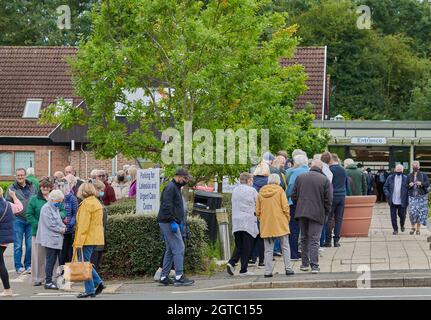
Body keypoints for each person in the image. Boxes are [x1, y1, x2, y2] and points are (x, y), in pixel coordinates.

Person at [292, 159, 332, 274]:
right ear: (321, 168)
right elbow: (328, 200)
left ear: (311, 166)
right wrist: (326, 212)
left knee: (304, 238)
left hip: (302, 212)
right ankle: (314, 265)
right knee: (314, 240)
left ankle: (304, 264)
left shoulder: (300, 177)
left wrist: (299, 205)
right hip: (317, 213)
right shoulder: (324, 180)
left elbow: (293, 195)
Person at [157, 168, 194, 286]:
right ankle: (179, 276)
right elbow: (166, 206)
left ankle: (164, 277)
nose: (186, 181)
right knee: (179, 248)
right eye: (185, 178)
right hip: (168, 222)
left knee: (170, 250)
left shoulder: (174, 187)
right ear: (178, 177)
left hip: (168, 221)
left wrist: (178, 221)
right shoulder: (171, 188)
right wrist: (173, 221)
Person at [26, 178, 66, 286]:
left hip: (53, 233)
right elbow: (29, 214)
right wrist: (39, 224)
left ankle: (51, 278)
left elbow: (62, 211)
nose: (45, 188)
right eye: (43, 186)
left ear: (50, 188)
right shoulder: (34, 199)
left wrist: (59, 218)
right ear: (40, 187)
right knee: (38, 257)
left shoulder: (55, 199)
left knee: (51, 258)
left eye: (47, 187)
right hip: (38, 231)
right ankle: (38, 278)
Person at [256, 174, 294, 277]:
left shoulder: (261, 191)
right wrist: (287, 218)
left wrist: (261, 219)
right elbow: (285, 207)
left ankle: (268, 271)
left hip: (267, 223)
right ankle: (288, 268)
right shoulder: (280, 190)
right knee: (285, 246)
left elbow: (257, 210)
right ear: (278, 181)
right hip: (280, 222)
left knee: (268, 249)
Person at [74, 182, 106, 298]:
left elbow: (83, 225)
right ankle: (94, 286)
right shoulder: (96, 202)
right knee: (86, 264)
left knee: (84, 265)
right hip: (95, 237)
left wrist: (78, 242)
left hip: (86, 238)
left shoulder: (86, 204)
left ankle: (93, 287)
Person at [226, 173, 259, 277]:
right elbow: (258, 203)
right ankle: (243, 270)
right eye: (252, 180)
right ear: (249, 180)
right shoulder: (252, 190)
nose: (252, 182)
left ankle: (231, 262)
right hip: (248, 221)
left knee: (239, 244)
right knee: (247, 246)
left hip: (236, 221)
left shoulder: (235, 190)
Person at [6, 168, 37, 274]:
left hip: (30, 220)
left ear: (25, 176)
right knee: (18, 245)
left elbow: (36, 200)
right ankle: (18, 266)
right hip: (17, 220)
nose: (20, 177)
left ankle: (28, 265)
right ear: (16, 176)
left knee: (29, 245)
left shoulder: (32, 186)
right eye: (18, 175)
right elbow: (7, 204)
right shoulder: (11, 188)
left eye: (22, 175)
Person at [36, 190, 66, 290]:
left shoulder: (55, 207)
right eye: (58, 201)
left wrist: (63, 226)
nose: (60, 203)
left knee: (53, 261)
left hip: (56, 239)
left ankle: (50, 280)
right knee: (50, 260)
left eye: (61, 201)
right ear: (52, 199)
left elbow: (58, 220)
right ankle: (48, 282)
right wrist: (61, 229)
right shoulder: (46, 208)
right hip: (49, 239)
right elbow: (50, 224)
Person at [286, 154, 309, 260]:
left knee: (294, 229)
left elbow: (290, 188)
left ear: (298, 163)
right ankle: (306, 253)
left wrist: (288, 198)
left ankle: (293, 254)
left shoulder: (295, 172)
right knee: (307, 229)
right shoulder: (310, 171)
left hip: (295, 204)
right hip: (309, 204)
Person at [0, 188, 23, 296]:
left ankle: (8, 290)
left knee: (1, 264)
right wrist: (14, 196)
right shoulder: (8, 205)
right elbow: (20, 207)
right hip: (4, 240)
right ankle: (7, 289)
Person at [324, 153, 349, 247]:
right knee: (339, 219)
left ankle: (328, 241)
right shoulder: (343, 170)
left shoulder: (329, 170)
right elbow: (347, 184)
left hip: (332, 196)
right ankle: (337, 241)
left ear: (331, 160)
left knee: (329, 219)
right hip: (342, 196)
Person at [250, 161, 270, 267]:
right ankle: (262, 260)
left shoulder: (252, 183)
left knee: (254, 235)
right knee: (263, 236)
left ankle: (253, 258)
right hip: (265, 213)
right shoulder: (269, 183)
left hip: (254, 212)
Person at [57, 176, 78, 265]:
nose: (61, 188)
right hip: (58, 229)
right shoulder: (56, 198)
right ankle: (60, 269)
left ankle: (68, 271)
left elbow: (75, 213)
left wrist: (69, 225)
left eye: (63, 186)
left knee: (67, 251)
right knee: (60, 252)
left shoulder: (72, 198)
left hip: (69, 230)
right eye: (59, 186)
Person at [383, 165, 409, 235]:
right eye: (397, 170)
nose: (398, 171)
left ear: (402, 171)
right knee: (393, 216)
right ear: (395, 170)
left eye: (400, 170)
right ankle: (395, 229)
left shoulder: (406, 178)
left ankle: (402, 225)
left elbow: (409, 189)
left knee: (402, 215)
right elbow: (385, 187)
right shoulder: (390, 178)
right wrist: (388, 194)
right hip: (393, 201)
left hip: (402, 201)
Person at [407, 161, 430, 235]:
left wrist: (421, 183)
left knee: (419, 213)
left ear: (419, 167)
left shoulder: (423, 175)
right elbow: (405, 186)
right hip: (412, 197)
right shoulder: (409, 175)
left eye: (416, 166)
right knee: (412, 213)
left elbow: (427, 184)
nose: (415, 167)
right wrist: (409, 185)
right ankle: (412, 227)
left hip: (421, 197)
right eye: (413, 166)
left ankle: (418, 229)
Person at [90, 180, 108, 272]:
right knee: (94, 262)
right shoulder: (92, 203)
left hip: (100, 236)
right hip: (94, 238)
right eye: (100, 189)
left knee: (97, 262)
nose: (102, 192)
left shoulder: (99, 201)